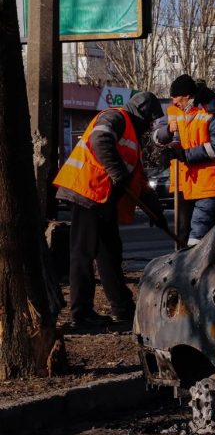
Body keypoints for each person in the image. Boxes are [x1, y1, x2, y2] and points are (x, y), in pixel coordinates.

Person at [53, 91, 166, 327]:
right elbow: (99, 141)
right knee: (83, 254)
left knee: (110, 253)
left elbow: (139, 180)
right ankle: (81, 313)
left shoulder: (131, 136)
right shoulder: (115, 117)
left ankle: (122, 308)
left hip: (101, 197)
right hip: (87, 191)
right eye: (150, 120)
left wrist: (157, 211)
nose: (150, 126)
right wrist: (117, 173)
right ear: (142, 115)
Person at [155, 75, 215, 246]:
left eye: (175, 96)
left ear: (186, 95)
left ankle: (194, 268)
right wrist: (169, 140)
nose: (173, 101)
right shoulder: (177, 112)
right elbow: (157, 137)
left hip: (210, 182)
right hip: (186, 182)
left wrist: (185, 155)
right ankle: (183, 266)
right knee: (184, 233)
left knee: (202, 233)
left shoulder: (214, 111)